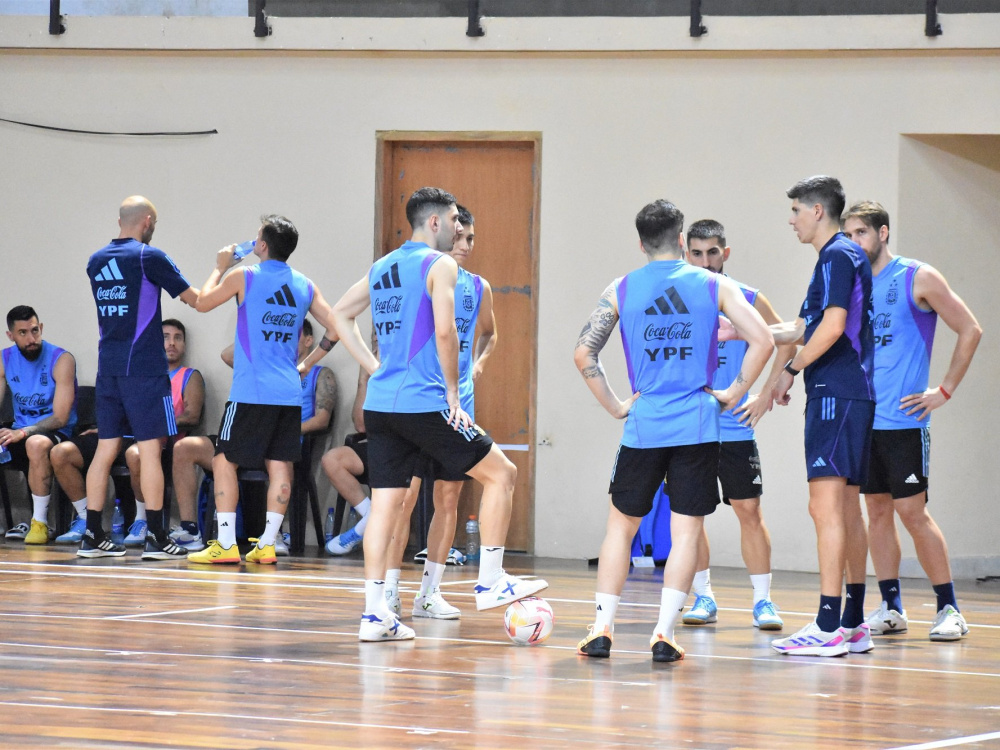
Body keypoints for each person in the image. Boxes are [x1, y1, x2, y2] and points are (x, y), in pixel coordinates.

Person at [325, 186, 546, 642]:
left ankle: (375, 616)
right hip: (425, 402)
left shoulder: (383, 265)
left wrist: (373, 367)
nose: (460, 228)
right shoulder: (439, 264)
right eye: (454, 220)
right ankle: (490, 580)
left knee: (386, 506)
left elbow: (339, 314)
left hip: (383, 405)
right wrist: (451, 392)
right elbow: (445, 331)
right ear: (434, 223)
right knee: (502, 474)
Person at [575, 200, 773, 662]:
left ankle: (602, 629)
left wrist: (615, 406)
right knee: (686, 532)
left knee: (620, 529)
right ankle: (664, 633)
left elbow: (584, 354)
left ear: (641, 243)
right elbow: (763, 338)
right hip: (698, 426)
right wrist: (734, 391)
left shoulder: (621, 288)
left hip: (642, 428)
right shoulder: (713, 284)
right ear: (683, 241)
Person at [843, 201, 980, 642]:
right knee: (876, 511)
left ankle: (949, 608)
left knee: (912, 512)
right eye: (848, 235)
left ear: (883, 233)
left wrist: (943, 390)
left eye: (861, 232)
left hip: (903, 421)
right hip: (864, 420)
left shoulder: (916, 276)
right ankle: (891, 606)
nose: (855, 242)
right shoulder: (853, 286)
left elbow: (970, 328)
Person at [186, 215, 338, 566]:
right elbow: (336, 328)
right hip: (287, 393)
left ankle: (225, 544)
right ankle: (267, 544)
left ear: (264, 245)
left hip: (250, 392)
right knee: (280, 465)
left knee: (224, 459)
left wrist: (219, 266)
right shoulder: (305, 285)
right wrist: (307, 365)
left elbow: (202, 302)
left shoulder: (245, 276)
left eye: (257, 237)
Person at [768, 176, 876, 657]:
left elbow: (830, 329)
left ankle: (828, 623)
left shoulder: (835, 254)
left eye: (795, 210)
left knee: (825, 507)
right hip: (853, 394)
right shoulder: (843, 256)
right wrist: (739, 332)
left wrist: (790, 368)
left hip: (837, 394)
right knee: (847, 508)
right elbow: (804, 325)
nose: (790, 220)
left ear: (816, 210)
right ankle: (852, 621)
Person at [382, 204, 497, 619]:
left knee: (448, 497)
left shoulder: (478, 286)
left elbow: (490, 333)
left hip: (458, 407)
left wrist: (477, 365)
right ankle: (390, 589)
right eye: (460, 236)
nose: (464, 244)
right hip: (422, 403)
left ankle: (429, 593)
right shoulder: (428, 273)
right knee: (404, 498)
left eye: (471, 239)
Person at [681, 219, 794, 631]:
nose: (705, 260)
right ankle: (704, 596)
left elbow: (787, 339)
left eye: (712, 252)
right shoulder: (678, 295)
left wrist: (766, 394)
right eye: (697, 252)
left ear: (725, 253)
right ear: (685, 253)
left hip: (733, 425)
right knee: (691, 514)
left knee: (748, 509)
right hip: (688, 424)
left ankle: (763, 601)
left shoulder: (747, 296)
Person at [79, 196, 198, 559]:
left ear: (120, 220)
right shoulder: (149, 256)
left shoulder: (95, 261)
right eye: (154, 224)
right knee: (151, 451)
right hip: (144, 370)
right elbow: (196, 299)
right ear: (147, 221)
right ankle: (158, 538)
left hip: (108, 369)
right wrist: (222, 267)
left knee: (105, 449)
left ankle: (92, 535)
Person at [121, 319, 205, 545]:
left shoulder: (190, 375)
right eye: (165, 337)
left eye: (178, 337)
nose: (171, 343)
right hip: (142, 441)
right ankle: (142, 520)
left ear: (184, 345)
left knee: (138, 453)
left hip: (172, 449)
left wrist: (152, 426)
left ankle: (151, 520)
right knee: (129, 452)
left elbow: (191, 416)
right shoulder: (143, 376)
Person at [0, 306, 78, 544]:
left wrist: (23, 431)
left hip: (55, 433)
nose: (31, 338)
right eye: (23, 333)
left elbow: (61, 418)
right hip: (17, 432)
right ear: (10, 335)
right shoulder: (4, 359)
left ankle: (40, 523)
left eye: (35, 330)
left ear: (41, 328)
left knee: (35, 443)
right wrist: (16, 432)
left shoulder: (61, 359)